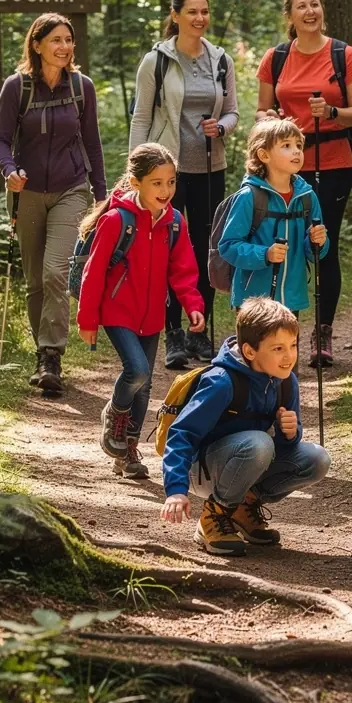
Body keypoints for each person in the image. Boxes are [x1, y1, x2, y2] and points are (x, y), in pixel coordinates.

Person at [160, 297, 331, 556]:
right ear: (250, 351)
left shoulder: (286, 382)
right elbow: (182, 434)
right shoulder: (221, 382)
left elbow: (286, 448)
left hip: (245, 460)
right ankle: (213, 517)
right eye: (277, 349)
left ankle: (242, 507)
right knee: (258, 443)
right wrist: (175, 490)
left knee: (317, 458)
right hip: (202, 470)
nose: (289, 356)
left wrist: (290, 433)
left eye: (293, 345)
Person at [0, 12, 107, 397]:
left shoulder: (81, 87)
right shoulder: (17, 87)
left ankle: (52, 355)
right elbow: (1, 140)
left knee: (56, 270)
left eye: (68, 40)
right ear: (37, 44)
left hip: (71, 189)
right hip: (25, 192)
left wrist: (101, 193)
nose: (64, 47)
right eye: (55, 40)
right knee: (36, 278)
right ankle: (43, 355)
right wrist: (10, 170)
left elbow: (92, 142)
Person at [76, 143, 205, 480]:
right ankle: (114, 414)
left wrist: (193, 304)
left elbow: (183, 270)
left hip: (151, 317)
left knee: (145, 387)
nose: (166, 190)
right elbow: (93, 271)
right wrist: (87, 319)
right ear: (136, 183)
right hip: (117, 311)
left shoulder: (174, 222)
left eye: (171, 182)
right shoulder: (118, 220)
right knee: (136, 372)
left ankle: (127, 451)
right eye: (157, 183)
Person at [255, 0, 352, 367]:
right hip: (285, 167)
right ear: (290, 15)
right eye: (301, 7)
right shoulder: (276, 57)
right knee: (285, 246)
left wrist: (331, 114)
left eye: (315, 5)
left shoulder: (343, 54)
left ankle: (322, 334)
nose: (310, 12)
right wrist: (268, 120)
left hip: (333, 162)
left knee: (321, 246)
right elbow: (261, 110)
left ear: (322, 10)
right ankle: (286, 335)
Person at [129, 0, 239, 369]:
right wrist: (136, 171)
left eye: (205, 12)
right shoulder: (156, 61)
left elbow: (233, 112)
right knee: (167, 251)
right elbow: (141, 117)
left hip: (211, 166)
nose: (200, 18)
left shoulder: (221, 60)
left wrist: (221, 128)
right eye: (192, 12)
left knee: (206, 250)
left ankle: (200, 331)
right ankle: (172, 333)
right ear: (175, 16)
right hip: (164, 173)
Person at [218, 119, 328, 314]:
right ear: (264, 154)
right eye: (286, 145)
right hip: (253, 300)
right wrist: (265, 254)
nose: (296, 151)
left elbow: (315, 253)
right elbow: (228, 245)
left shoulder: (307, 197)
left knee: (287, 345)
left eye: (299, 145)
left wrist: (317, 242)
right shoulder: (249, 197)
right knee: (256, 345)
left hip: (292, 298)